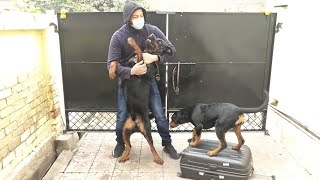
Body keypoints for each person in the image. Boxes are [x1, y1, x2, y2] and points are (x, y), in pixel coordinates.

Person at [107, 1, 179, 159]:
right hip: (127, 84)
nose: (139, 19)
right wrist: (131, 70)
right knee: (121, 115)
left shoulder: (151, 30)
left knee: (160, 114)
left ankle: (167, 144)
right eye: (135, 16)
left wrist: (156, 57)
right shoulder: (118, 36)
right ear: (128, 18)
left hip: (148, 82)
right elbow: (110, 65)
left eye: (141, 16)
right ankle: (120, 143)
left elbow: (171, 50)